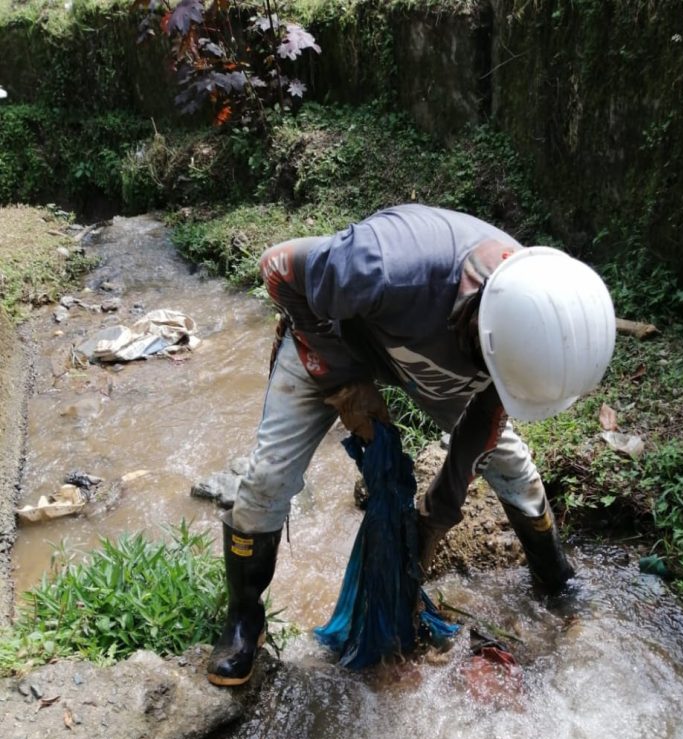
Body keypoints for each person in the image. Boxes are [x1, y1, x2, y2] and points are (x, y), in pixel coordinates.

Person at [207, 204, 615, 686]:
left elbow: (482, 422)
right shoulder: (384, 266)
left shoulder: (533, 320)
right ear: (481, 325)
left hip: (435, 368)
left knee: (513, 467)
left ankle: (553, 574)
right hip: (332, 338)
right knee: (267, 480)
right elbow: (277, 267)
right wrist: (345, 379)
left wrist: (434, 520)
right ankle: (243, 620)